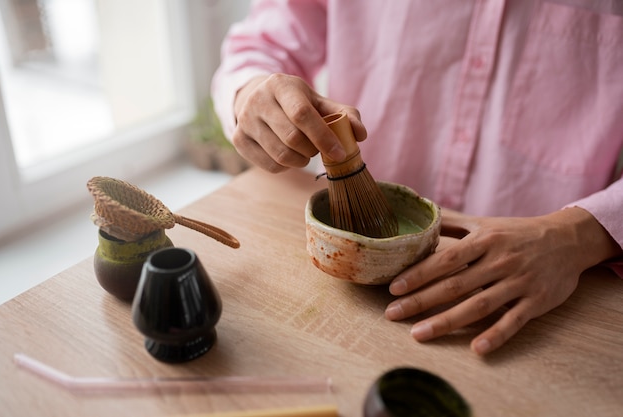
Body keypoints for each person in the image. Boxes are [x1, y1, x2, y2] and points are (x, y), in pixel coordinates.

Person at [211, 0, 623, 355]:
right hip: (349, 304)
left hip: (549, 294)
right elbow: (263, 44)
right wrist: (251, 91)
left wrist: (579, 234)